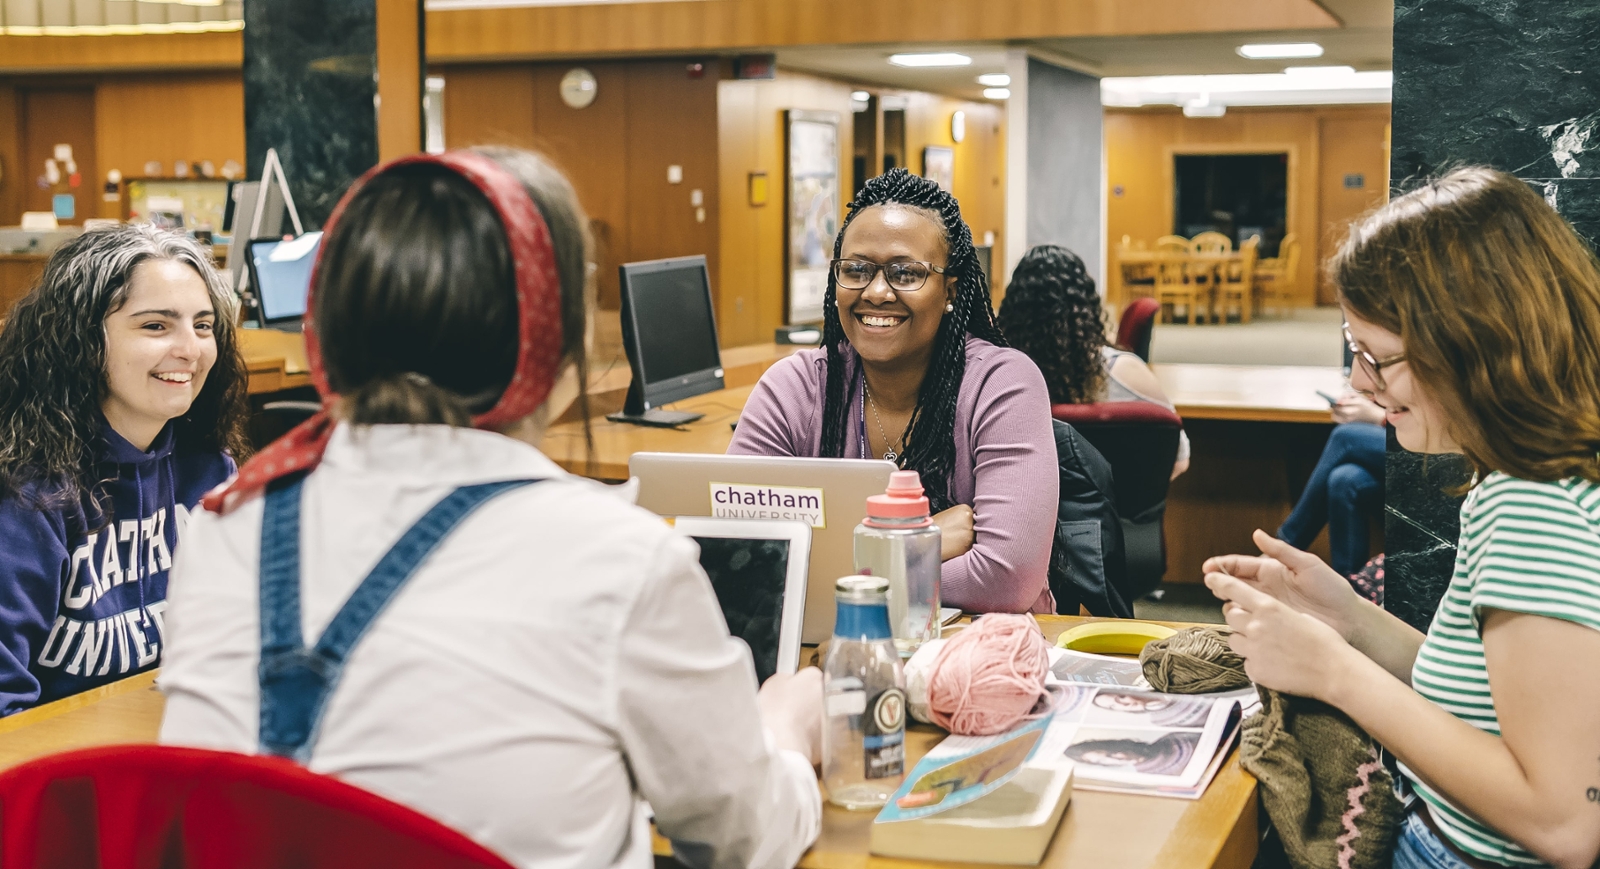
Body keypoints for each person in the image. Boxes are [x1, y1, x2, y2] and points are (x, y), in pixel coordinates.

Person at [157, 148, 822, 869]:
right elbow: (741, 839)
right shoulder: (622, 559)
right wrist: (784, 730)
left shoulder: (225, 528)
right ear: (557, 353)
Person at [1204, 167, 1600, 869]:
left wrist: (1334, 672)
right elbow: (1491, 701)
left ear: (1469, 343)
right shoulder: (1530, 478)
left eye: (1375, 358)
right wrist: (1349, 618)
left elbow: (1564, 820)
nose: (1360, 382)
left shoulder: (1533, 502)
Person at [729, 169, 1058, 614]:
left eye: (906, 273)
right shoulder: (794, 388)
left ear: (949, 291)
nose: (877, 292)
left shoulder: (1002, 385)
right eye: (857, 270)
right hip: (831, 653)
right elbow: (735, 557)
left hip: (980, 660)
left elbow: (1006, 579)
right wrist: (918, 541)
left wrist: (827, 569)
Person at [0, 224, 248, 716]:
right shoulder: (27, 493)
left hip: (165, 745)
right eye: (155, 326)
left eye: (202, 325)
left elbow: (240, 641)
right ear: (82, 341)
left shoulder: (209, 468)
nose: (191, 349)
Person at [997, 244, 1190, 479]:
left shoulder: (1001, 380)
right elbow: (1178, 460)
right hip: (1121, 514)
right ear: (1087, 307)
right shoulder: (1127, 373)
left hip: (1030, 514)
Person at [1276, 393, 1386, 576]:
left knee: (1345, 437)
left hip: (1441, 450)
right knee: (1344, 479)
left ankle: (1284, 549)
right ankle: (1350, 589)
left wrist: (1380, 417)